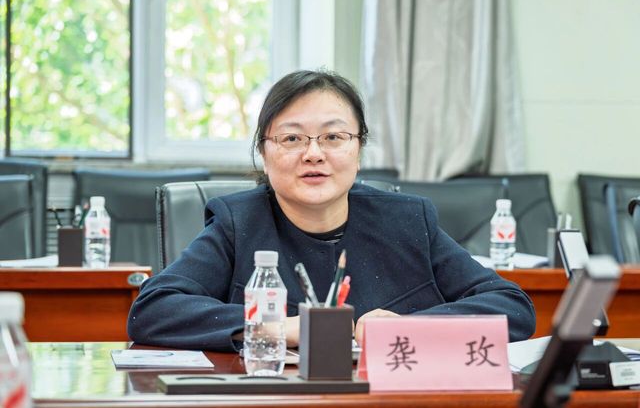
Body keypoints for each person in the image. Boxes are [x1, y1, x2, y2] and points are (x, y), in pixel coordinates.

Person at [127, 70, 536, 352]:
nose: (313, 154)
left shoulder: (408, 221)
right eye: (292, 139)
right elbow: (152, 310)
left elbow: (512, 307)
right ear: (264, 155)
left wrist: (410, 328)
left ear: (358, 150)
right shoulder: (238, 223)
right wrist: (278, 327)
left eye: (333, 137)